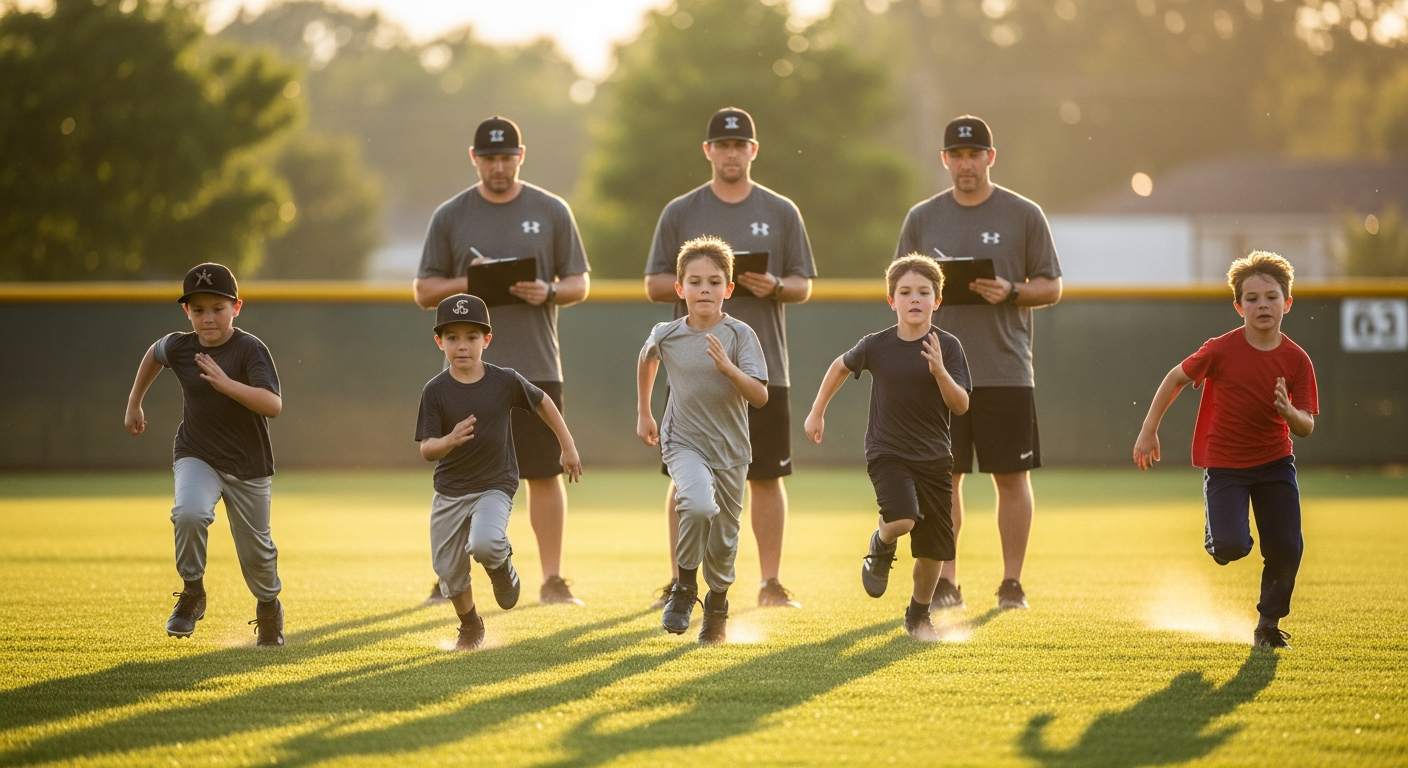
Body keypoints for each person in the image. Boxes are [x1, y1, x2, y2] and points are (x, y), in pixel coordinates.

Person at [413, 116, 590, 606]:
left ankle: (552, 579)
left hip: (533, 364)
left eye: (506, 157)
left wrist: (547, 290)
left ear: (521, 156)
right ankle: (451, 577)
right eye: (488, 158)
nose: (498, 166)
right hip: (467, 374)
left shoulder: (550, 209)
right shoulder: (451, 215)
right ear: (475, 159)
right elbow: (425, 290)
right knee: (465, 477)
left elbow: (578, 283)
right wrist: (471, 282)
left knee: (543, 473)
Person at [644, 107, 816, 610]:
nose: (732, 152)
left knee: (765, 476)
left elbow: (803, 283)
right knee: (685, 478)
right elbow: (656, 282)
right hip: (694, 368)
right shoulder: (682, 211)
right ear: (709, 151)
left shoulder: (780, 210)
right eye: (723, 144)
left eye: (740, 145)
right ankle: (681, 582)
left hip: (761, 366)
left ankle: (769, 583)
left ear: (753, 151)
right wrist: (699, 285)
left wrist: (774, 285)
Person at [893, 115, 1062, 611]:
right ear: (944, 160)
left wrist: (1010, 291)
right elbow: (901, 286)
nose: (966, 165)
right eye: (957, 156)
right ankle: (947, 581)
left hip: (1004, 368)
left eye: (975, 155)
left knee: (1011, 476)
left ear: (991, 157)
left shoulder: (1023, 213)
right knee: (944, 477)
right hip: (938, 367)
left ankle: (1012, 583)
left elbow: (1051, 286)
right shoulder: (923, 218)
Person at [1133, 253, 1317, 649]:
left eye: (1271, 297)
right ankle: (1220, 535)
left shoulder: (1297, 360)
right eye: (1252, 298)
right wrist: (1149, 429)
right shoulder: (1221, 349)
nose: (1262, 305)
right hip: (1226, 465)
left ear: (1287, 303)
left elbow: (1306, 425)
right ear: (1238, 307)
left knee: (1287, 546)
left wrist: (1290, 413)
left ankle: (1268, 625)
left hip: (1275, 463)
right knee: (1232, 546)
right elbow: (1175, 378)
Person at [804, 255, 971, 639]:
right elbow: (840, 366)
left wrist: (941, 372)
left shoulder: (948, 346)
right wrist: (817, 412)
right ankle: (880, 544)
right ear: (891, 300)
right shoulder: (876, 345)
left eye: (924, 292)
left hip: (934, 457)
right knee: (901, 520)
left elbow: (960, 405)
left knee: (934, 550)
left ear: (937, 300)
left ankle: (918, 614)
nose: (915, 299)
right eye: (905, 292)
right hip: (887, 452)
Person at [124, 263, 286, 647]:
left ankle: (268, 607)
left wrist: (226, 384)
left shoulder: (250, 349)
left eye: (217, 307)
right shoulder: (181, 346)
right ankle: (193, 593)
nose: (208, 317)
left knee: (258, 554)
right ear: (187, 312)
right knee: (189, 513)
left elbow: (273, 405)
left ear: (236, 307)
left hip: (248, 465)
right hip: (197, 453)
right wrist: (134, 402)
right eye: (198, 310)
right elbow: (154, 352)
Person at [417, 294, 583, 650]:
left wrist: (567, 446)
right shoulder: (435, 391)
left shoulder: (503, 381)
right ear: (439, 342)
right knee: (448, 571)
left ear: (486, 340)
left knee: (485, 543)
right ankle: (471, 624)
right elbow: (427, 449)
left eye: (472, 337)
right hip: (450, 490)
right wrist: (450, 439)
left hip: (494, 484)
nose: (462, 346)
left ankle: (501, 566)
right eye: (453, 337)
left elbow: (544, 402)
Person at [637, 237, 769, 645]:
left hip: (730, 450)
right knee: (694, 503)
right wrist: (645, 411)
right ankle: (685, 587)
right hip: (683, 441)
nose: (705, 289)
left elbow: (760, 396)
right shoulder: (667, 333)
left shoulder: (740, 335)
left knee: (725, 538)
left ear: (728, 289)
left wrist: (729, 369)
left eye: (714, 282)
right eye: (695, 282)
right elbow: (646, 359)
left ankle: (717, 605)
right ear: (681, 290)